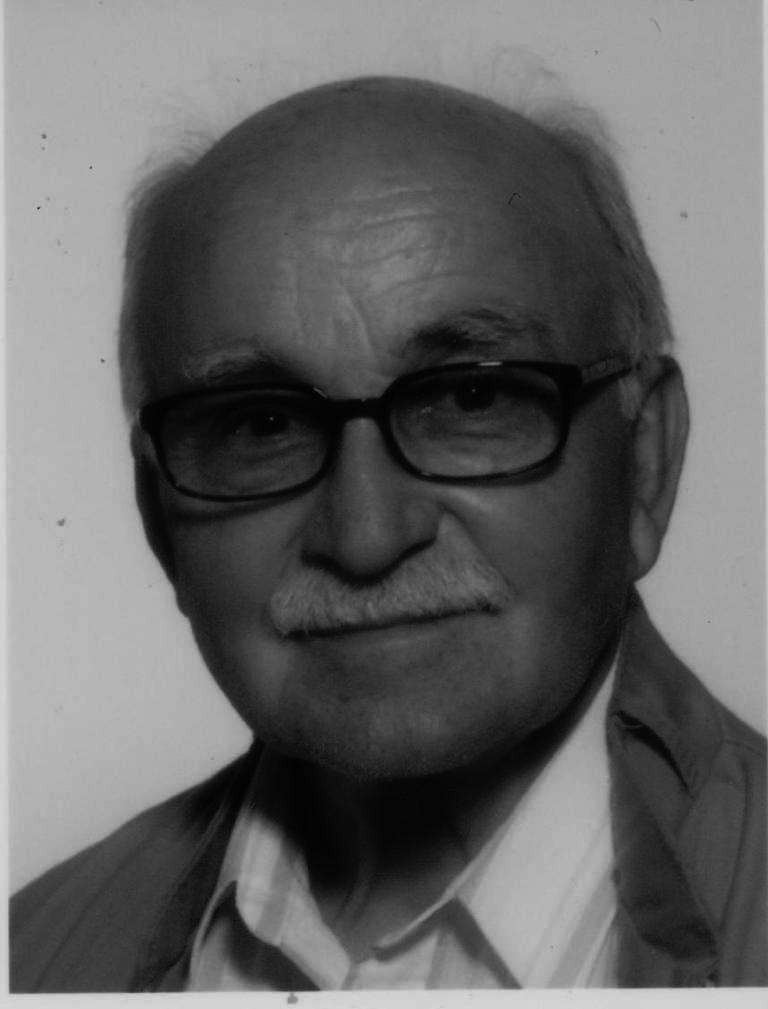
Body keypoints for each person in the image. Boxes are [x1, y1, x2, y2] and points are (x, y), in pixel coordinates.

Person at [10, 75, 766, 992]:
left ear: (645, 463)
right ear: (158, 516)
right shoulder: (32, 957)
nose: (365, 537)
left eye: (470, 398)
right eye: (262, 425)